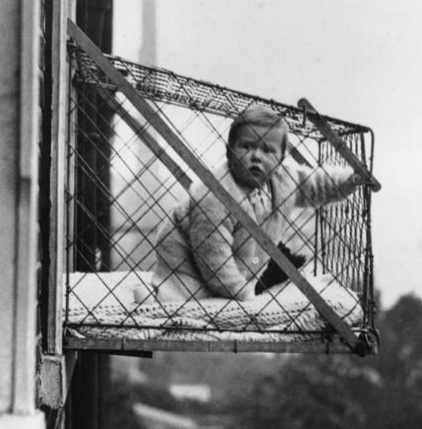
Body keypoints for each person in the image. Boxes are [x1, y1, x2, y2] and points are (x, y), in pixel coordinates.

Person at [150, 105, 360, 303]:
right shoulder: (215, 195)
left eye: (268, 150)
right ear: (229, 152)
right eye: (246, 146)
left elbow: (318, 185)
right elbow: (214, 258)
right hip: (186, 267)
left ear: (280, 159)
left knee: (275, 282)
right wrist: (242, 295)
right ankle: (158, 292)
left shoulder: (283, 180)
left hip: (243, 267)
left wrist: (351, 180)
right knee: (181, 297)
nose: (256, 156)